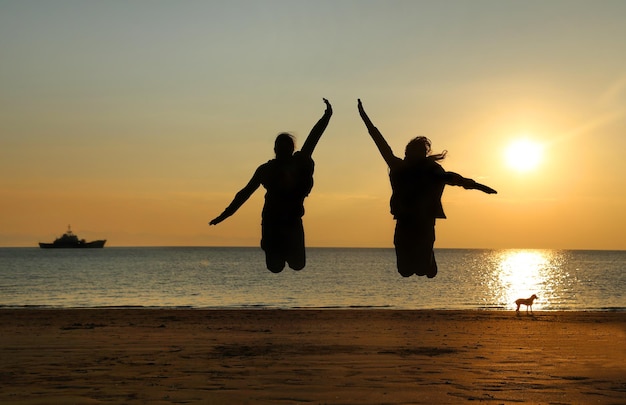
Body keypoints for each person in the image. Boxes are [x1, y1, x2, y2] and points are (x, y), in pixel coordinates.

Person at [357, 99, 496, 278]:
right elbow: (380, 142)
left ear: (421, 155)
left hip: (424, 222)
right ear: (407, 153)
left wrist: (478, 186)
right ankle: (425, 260)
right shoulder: (398, 166)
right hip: (405, 220)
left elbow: (453, 179)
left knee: (424, 270)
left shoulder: (432, 170)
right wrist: (364, 117)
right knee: (405, 271)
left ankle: (429, 261)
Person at [210, 99, 333, 273]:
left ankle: (276, 248)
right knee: (275, 267)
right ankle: (272, 247)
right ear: (276, 149)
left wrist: (327, 116)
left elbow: (313, 139)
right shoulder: (267, 169)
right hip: (273, 223)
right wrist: (226, 214)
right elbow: (244, 193)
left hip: (291, 222)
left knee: (297, 265)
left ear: (289, 149)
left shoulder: (298, 163)